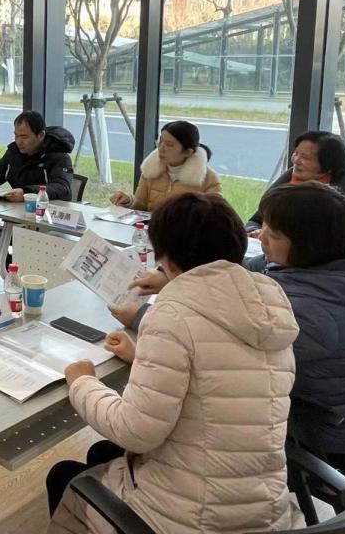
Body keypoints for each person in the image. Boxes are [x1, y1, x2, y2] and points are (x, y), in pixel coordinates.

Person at [48, 193, 301, 533]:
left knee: (64, 475)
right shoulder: (267, 307)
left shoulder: (173, 316)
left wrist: (82, 382)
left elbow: (133, 431)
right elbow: (216, 375)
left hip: (193, 519)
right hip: (263, 510)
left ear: (165, 257)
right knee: (103, 454)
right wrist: (143, 355)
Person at [246, 183, 345, 471]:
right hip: (337, 406)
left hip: (323, 435)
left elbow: (237, 351)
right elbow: (250, 268)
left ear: (307, 246)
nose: (262, 235)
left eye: (275, 233)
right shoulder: (332, 265)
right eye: (265, 224)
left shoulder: (313, 314)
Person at [246, 130, 345, 235]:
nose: (296, 160)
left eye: (305, 157)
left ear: (328, 165)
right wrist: (254, 232)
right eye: (296, 153)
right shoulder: (283, 185)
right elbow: (255, 221)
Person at [0, 110, 75, 201]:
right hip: (19, 211)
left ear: (41, 135)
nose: (18, 141)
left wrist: (26, 193)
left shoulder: (59, 158)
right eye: (16, 135)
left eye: (24, 137)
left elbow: (62, 188)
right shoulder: (14, 153)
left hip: (48, 213)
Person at [109, 120, 220, 211]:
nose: (161, 148)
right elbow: (141, 206)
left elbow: (215, 216)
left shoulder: (208, 178)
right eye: (160, 141)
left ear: (188, 152)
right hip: (153, 229)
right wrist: (129, 201)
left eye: (169, 145)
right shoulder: (151, 171)